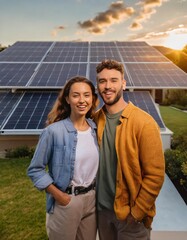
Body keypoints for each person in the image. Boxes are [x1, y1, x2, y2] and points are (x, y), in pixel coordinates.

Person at [94, 59, 165, 240]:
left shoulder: (144, 122)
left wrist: (137, 213)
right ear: (98, 86)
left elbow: (155, 175)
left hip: (130, 217)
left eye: (113, 80)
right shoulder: (95, 120)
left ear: (123, 84)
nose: (107, 86)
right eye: (102, 81)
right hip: (102, 212)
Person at [27, 76, 99, 240]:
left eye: (87, 95)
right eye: (76, 95)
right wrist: (60, 196)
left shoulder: (96, 129)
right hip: (66, 202)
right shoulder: (53, 131)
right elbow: (35, 169)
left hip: (92, 201)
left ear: (93, 99)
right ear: (67, 99)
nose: (82, 100)